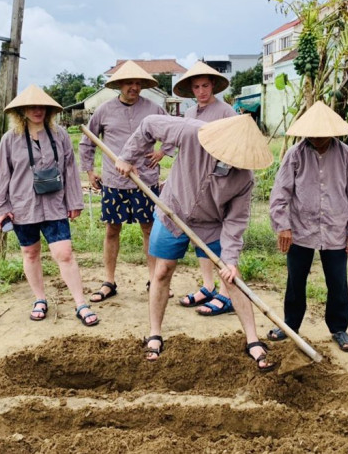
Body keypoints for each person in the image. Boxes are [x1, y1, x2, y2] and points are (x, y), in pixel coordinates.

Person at [115, 113, 278, 371]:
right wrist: (127, 157)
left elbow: (235, 222)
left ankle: (252, 340)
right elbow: (147, 125)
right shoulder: (192, 132)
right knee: (162, 271)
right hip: (173, 212)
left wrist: (232, 261)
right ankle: (155, 334)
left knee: (231, 277)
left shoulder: (243, 179)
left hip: (212, 224)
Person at [0, 84, 98, 327]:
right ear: (22, 111)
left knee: (65, 253)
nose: (37, 110)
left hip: (54, 205)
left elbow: (70, 170)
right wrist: (1, 208)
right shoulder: (10, 140)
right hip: (22, 206)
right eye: (32, 106)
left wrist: (74, 201)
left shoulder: (59, 135)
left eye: (42, 106)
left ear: (49, 110)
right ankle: (40, 299)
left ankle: (81, 303)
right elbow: (2, 176)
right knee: (30, 253)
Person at [268, 101, 348, 352]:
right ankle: (290, 325)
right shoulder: (295, 154)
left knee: (338, 282)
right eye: (312, 134)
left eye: (322, 135)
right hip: (301, 229)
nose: (317, 138)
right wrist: (283, 226)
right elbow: (280, 194)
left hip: (335, 229)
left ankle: (339, 328)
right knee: (296, 280)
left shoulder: (346, 155)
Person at [79, 60, 173, 302]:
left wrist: (162, 152)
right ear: (119, 85)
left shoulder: (154, 109)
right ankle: (109, 281)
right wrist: (90, 172)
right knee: (112, 230)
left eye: (137, 83)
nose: (133, 87)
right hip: (114, 181)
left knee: (149, 230)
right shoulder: (104, 111)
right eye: (129, 83)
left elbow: (175, 132)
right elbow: (87, 141)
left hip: (145, 179)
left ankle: (154, 280)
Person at [173, 61, 238, 315]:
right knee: (197, 234)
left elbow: (235, 148)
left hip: (219, 182)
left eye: (205, 86)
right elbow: (182, 148)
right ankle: (208, 285)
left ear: (213, 86)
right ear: (191, 89)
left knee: (221, 238)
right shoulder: (188, 115)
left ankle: (225, 293)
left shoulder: (226, 113)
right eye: (197, 87)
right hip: (193, 183)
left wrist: (224, 174)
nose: (201, 91)